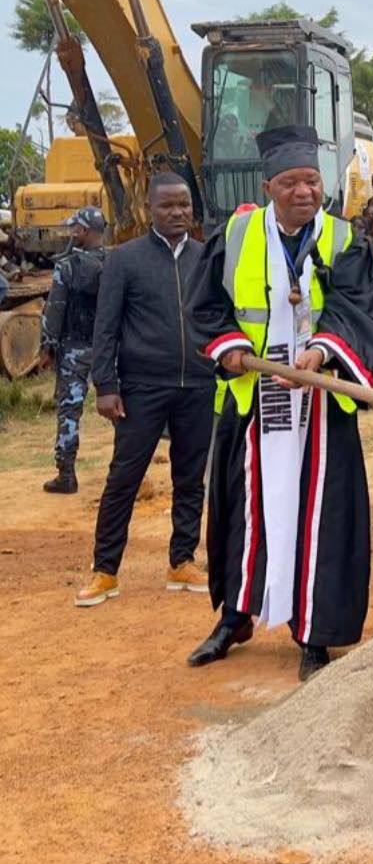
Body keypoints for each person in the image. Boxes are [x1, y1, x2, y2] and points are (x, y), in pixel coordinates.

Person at [185, 125, 373, 681]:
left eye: (313, 180)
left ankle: (314, 634)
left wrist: (323, 353)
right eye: (292, 182)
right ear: (269, 184)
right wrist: (228, 347)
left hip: (320, 409)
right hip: (254, 400)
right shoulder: (236, 234)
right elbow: (206, 305)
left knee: (319, 515)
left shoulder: (345, 241)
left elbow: (365, 312)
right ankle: (236, 616)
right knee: (244, 513)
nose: (305, 192)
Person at [73, 175, 218, 607]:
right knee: (124, 478)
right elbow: (107, 326)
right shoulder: (125, 259)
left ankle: (182, 559)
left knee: (191, 477)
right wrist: (106, 385)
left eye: (184, 205)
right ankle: (105, 570)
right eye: (168, 206)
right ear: (148, 209)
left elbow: (215, 315)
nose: (178, 213)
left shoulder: (204, 256)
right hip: (141, 388)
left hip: (197, 382)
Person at [38, 206, 107, 493]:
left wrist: (47, 347)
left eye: (74, 228)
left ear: (85, 231)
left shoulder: (66, 267)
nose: (71, 233)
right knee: (119, 408)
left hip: (74, 349)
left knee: (69, 410)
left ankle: (66, 474)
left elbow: (55, 310)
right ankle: (129, 471)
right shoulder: (115, 263)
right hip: (106, 349)